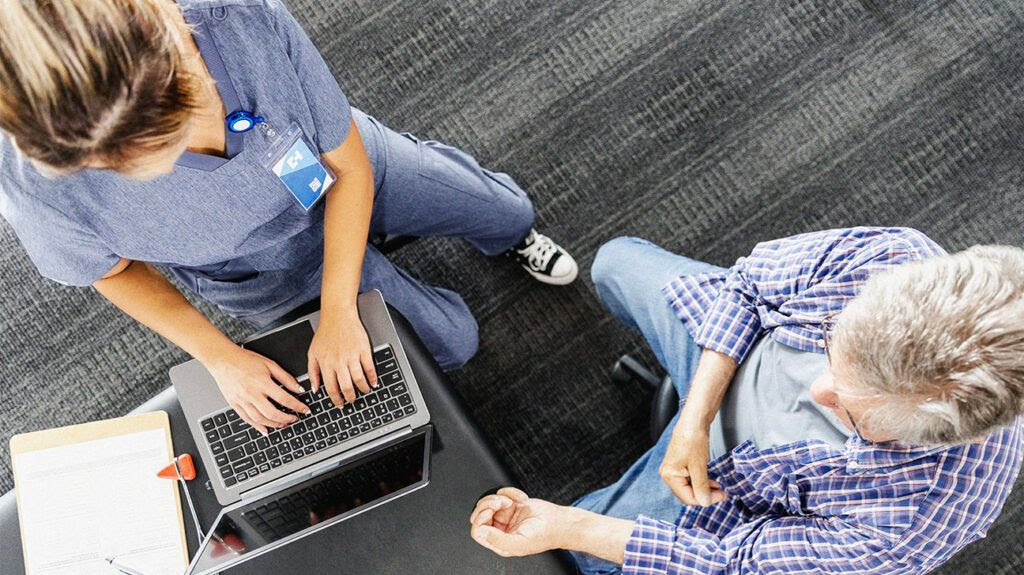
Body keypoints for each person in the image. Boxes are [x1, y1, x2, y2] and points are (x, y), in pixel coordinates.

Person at [0, 0, 577, 434]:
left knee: (503, 209)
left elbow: (349, 171)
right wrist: (222, 358)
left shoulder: (239, 16)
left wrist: (341, 307)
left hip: (349, 169)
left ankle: (512, 236)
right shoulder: (33, 184)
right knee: (454, 344)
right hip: (264, 268)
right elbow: (111, 271)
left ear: (173, 27)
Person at [471, 227, 1024, 574]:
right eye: (834, 347)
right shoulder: (893, 254)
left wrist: (567, 527)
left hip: (730, 491)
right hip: (726, 352)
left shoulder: (914, 520)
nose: (817, 390)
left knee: (563, 558)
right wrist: (695, 416)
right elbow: (751, 286)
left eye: (851, 413)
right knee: (614, 262)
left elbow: (736, 563)